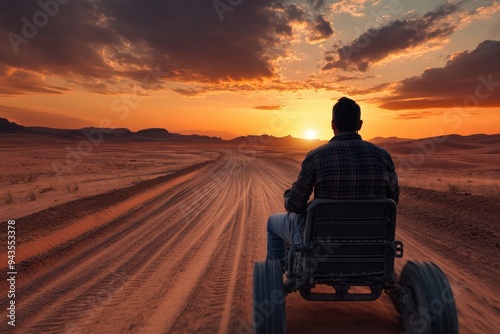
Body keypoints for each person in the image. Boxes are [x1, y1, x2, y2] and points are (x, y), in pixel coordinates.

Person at [266, 97, 400, 271]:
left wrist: (288, 197)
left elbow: (295, 205)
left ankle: (275, 277)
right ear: (359, 124)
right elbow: (393, 200)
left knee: (272, 222)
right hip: (370, 246)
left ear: (332, 124)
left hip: (321, 246)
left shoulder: (316, 157)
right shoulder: (383, 156)